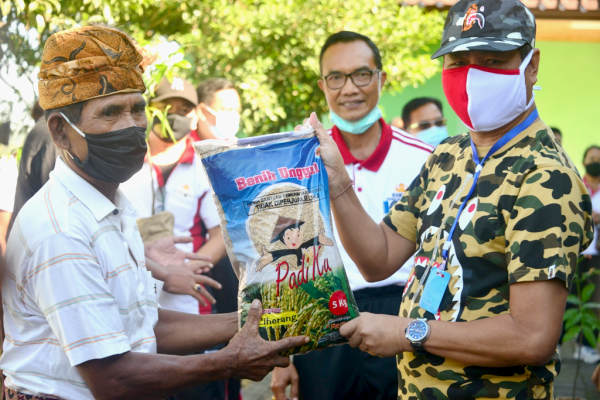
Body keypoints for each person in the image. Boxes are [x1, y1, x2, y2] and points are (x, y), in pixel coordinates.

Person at [305, 1, 593, 398]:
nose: (472, 75)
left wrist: (408, 332)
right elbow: (378, 258)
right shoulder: (448, 156)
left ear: (531, 65)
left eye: (492, 59)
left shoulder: (545, 177)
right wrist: (338, 182)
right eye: (458, 61)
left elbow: (532, 336)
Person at [1, 25, 306, 400]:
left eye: (137, 109)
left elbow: (143, 327)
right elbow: (113, 378)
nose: (131, 126)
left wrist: (249, 321)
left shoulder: (110, 207)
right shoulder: (61, 228)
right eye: (110, 113)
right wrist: (229, 361)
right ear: (60, 133)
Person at [271, 31, 432, 400]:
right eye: (336, 78)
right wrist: (287, 354)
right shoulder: (300, 161)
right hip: (324, 319)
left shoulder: (426, 158)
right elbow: (288, 261)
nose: (349, 89)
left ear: (381, 79)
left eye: (362, 74)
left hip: (402, 315)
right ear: (322, 85)